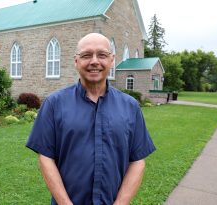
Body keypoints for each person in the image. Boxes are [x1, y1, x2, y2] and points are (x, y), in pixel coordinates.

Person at [26, 33, 156, 205]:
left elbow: (137, 161)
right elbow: (45, 157)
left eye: (102, 55)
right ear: (76, 61)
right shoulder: (54, 104)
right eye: (86, 55)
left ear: (112, 60)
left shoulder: (130, 106)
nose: (94, 61)